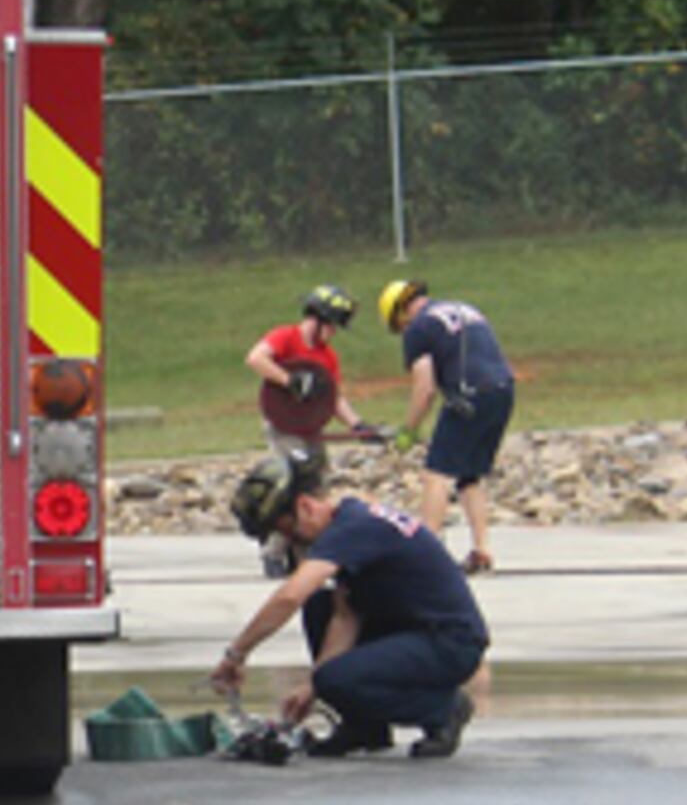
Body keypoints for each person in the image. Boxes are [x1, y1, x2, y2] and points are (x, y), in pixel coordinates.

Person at [210, 451, 487, 759]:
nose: (288, 543)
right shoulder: (348, 524)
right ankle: (364, 727)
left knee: (333, 675)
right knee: (320, 609)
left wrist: (237, 654)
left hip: (449, 642)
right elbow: (346, 616)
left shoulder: (353, 527)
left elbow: (289, 596)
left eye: (285, 531)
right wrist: (312, 687)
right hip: (412, 629)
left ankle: (443, 710)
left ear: (305, 506)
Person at [378, 276, 515, 574]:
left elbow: (424, 387)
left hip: (469, 396)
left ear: (400, 312)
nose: (401, 330)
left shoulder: (419, 327)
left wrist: (409, 430)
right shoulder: (464, 309)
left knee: (435, 473)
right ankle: (482, 550)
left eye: (397, 324)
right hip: (503, 391)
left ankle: (427, 554)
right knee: (470, 476)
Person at [245, 284, 376, 461]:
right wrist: (290, 380)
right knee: (297, 470)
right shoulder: (285, 337)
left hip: (310, 428)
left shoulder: (328, 356)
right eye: (332, 326)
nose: (334, 332)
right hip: (283, 425)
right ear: (317, 320)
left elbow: (334, 398)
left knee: (317, 478)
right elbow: (255, 358)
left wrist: (358, 426)